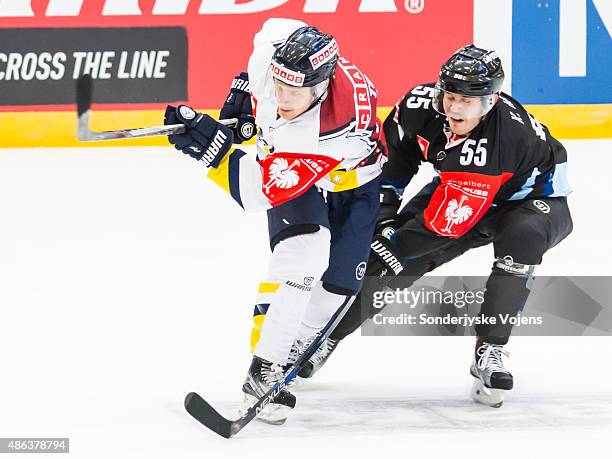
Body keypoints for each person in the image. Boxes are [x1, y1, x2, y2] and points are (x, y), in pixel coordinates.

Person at [301, 45, 573, 407]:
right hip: (459, 186)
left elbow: (441, 226)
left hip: (529, 203)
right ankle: (326, 337)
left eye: (467, 100)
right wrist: (383, 220)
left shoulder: (505, 136)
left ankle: (491, 348)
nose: (455, 108)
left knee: (521, 237)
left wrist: (390, 248)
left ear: (489, 102)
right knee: (395, 261)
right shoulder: (418, 107)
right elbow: (394, 160)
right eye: (450, 95)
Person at [164, 18, 385, 423]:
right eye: (276, 85)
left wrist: (211, 150)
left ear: (319, 89)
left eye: (292, 92)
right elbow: (274, 25)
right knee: (304, 256)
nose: (280, 97)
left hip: (354, 182)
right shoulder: (275, 59)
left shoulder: (331, 128)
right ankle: (265, 369)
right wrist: (243, 90)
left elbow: (258, 190)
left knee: (340, 285)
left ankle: (296, 346)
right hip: (300, 171)